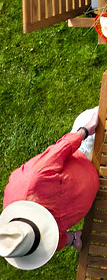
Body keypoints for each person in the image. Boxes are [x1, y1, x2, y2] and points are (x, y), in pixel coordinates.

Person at [0, 108, 100, 269]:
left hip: (85, 154)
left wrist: (86, 129)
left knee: (105, 114)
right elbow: (53, 240)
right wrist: (73, 238)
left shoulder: (33, 179)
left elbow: (60, 151)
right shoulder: (33, 242)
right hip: (100, 188)